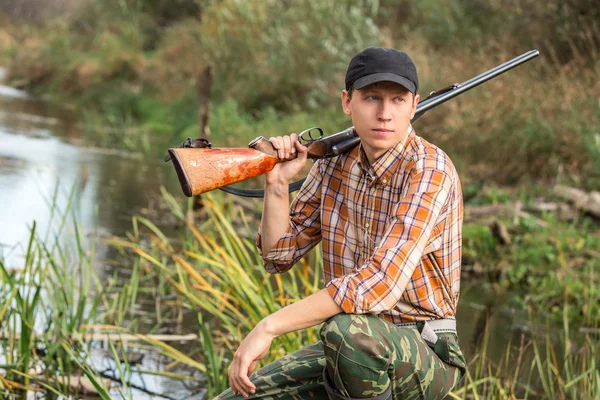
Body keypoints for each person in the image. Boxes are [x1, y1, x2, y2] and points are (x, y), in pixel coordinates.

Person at [215, 47, 466, 400]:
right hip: (350, 346)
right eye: (372, 98)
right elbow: (278, 256)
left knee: (346, 331)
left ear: (414, 105)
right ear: (348, 102)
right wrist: (276, 184)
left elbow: (379, 283)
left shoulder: (429, 170)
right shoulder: (333, 164)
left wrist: (269, 326)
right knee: (237, 397)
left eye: (397, 100)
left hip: (425, 348)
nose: (384, 114)